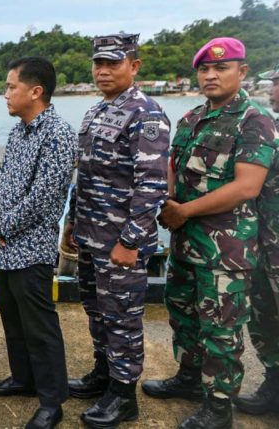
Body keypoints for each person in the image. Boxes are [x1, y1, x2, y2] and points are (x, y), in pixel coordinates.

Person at [144, 38, 277, 428]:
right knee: (183, 312)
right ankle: (188, 378)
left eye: (221, 67)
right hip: (186, 240)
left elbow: (247, 186)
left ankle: (219, 408)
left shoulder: (255, 120)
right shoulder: (191, 118)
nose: (211, 75)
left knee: (221, 327)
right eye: (204, 69)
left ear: (242, 72)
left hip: (227, 248)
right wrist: (166, 201)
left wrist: (183, 211)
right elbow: (174, 169)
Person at [63, 33, 170, 428]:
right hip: (90, 235)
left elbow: (152, 185)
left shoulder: (147, 114)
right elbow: (85, 174)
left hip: (120, 243)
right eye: (99, 63)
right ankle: (104, 373)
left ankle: (124, 395)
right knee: (97, 310)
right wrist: (72, 221)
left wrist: (130, 241)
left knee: (122, 317)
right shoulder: (95, 111)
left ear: (134, 66)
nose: (103, 71)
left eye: (113, 63)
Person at [0, 57, 76, 429]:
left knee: (40, 328)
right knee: (14, 321)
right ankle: (23, 379)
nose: (5, 94)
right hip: (3, 247)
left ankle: (52, 402)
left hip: (31, 249)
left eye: (11, 87)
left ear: (35, 91)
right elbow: (3, 181)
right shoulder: (20, 130)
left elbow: (43, 199)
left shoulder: (58, 134)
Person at [233, 63, 279, 416]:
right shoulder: (267, 125)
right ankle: (274, 385)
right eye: (275, 82)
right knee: (264, 315)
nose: (274, 89)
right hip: (263, 241)